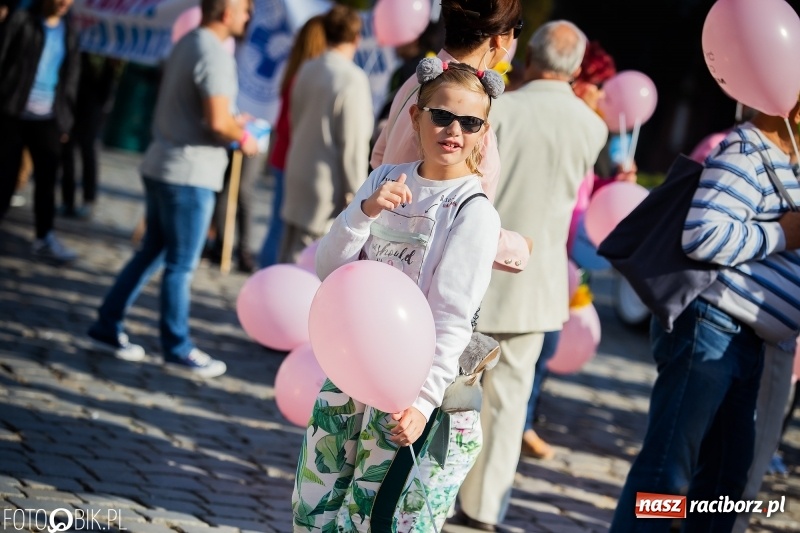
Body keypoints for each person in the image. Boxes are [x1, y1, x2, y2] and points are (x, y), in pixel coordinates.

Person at [292, 59, 503, 532]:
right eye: (441, 116)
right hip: (348, 372)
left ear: (483, 133)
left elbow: (450, 317)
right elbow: (331, 270)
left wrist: (423, 403)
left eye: (470, 123)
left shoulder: (472, 211)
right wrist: (363, 212)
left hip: (403, 391)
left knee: (364, 517)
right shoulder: (386, 177)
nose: (454, 131)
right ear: (415, 117)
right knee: (312, 505)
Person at [609, 102, 800, 531]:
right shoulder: (747, 150)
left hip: (747, 337)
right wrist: (780, 234)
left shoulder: (786, 158)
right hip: (713, 325)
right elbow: (703, 235)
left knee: (723, 481)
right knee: (667, 472)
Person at [453, 21, 608, 531]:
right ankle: (484, 508)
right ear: (578, 67)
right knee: (510, 403)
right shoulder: (592, 125)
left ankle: (437, 491)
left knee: (452, 394)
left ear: (530, 55)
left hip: (476, 267)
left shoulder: (501, 108)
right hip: (538, 280)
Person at [85, 0, 258, 377]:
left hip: (165, 163)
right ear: (226, 12)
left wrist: (230, 122)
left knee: (151, 252)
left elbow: (200, 110)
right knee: (180, 265)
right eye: (245, 9)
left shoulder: (189, 42)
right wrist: (243, 135)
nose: (248, 16)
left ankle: (106, 324)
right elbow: (216, 122)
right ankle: (176, 346)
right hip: (189, 173)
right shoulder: (214, 52)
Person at [371, 0, 530, 274]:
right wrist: (519, 248)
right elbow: (454, 215)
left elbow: (378, 158)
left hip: (385, 252)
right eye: (518, 28)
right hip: (425, 271)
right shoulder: (466, 106)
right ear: (499, 38)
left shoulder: (417, 81)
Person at [522, 39, 622, 461]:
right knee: (537, 348)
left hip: (565, 253)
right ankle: (522, 424)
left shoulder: (589, 130)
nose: (602, 97)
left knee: (542, 348)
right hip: (547, 250)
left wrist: (615, 184)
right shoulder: (578, 126)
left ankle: (525, 421)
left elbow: (585, 195)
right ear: (581, 81)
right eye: (599, 86)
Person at [278, 5, 373, 263]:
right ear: (356, 38)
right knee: (309, 264)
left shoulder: (307, 68)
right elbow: (353, 145)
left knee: (288, 254)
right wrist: (358, 198)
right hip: (325, 185)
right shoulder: (352, 78)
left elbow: (294, 119)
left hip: (297, 170)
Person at [0, 0, 80, 263]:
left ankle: (44, 236)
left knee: (46, 181)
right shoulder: (22, 20)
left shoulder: (69, 31)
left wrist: (64, 122)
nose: (65, 3)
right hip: (12, 111)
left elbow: (70, 79)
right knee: (6, 177)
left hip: (47, 117)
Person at [257, 14, 326, 268]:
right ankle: (267, 274)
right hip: (292, 158)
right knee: (280, 227)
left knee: (278, 224)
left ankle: (267, 272)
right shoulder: (307, 76)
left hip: (283, 156)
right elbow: (291, 124)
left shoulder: (296, 71)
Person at [60, 52, 118, 219]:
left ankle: (88, 200)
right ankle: (67, 200)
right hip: (74, 101)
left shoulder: (108, 53)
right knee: (68, 152)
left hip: (94, 106)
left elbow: (109, 78)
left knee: (87, 152)